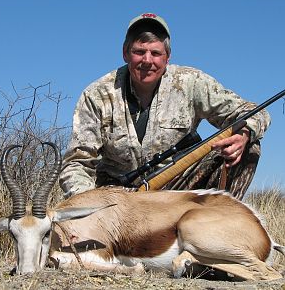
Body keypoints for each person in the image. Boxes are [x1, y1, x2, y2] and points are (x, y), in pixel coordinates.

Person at [59, 13, 270, 200]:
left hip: (175, 190)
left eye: (156, 53)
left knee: (250, 146)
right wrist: (86, 208)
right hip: (117, 199)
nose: (147, 60)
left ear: (167, 57)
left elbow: (253, 112)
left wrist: (244, 134)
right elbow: (77, 163)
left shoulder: (190, 82)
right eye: (139, 51)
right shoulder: (97, 95)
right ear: (125, 53)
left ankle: (219, 228)